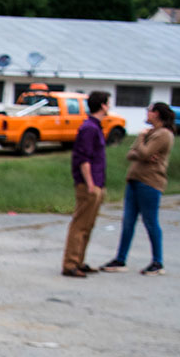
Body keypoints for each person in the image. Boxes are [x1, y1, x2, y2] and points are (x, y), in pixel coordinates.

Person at [101, 102, 175, 275]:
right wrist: (142, 151)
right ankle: (120, 259)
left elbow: (143, 153)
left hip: (150, 182)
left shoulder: (163, 134)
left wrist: (142, 143)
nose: (146, 114)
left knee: (150, 221)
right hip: (134, 180)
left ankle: (158, 262)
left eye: (148, 111)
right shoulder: (149, 132)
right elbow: (131, 154)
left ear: (156, 113)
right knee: (128, 221)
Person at [61, 90, 112, 278]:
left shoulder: (96, 126)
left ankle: (79, 261)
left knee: (88, 224)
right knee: (80, 224)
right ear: (103, 105)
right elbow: (84, 158)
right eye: (108, 103)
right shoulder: (89, 128)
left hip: (98, 181)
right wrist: (90, 183)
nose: (109, 106)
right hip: (89, 184)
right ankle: (70, 263)